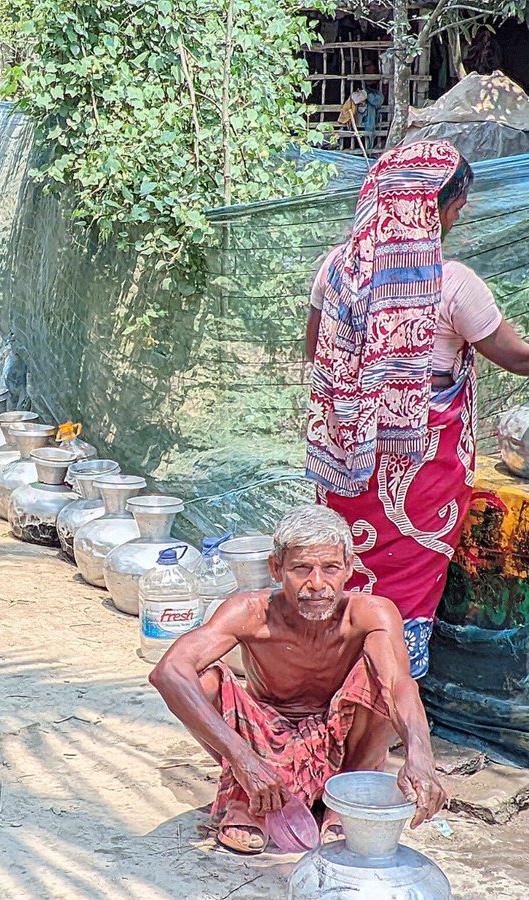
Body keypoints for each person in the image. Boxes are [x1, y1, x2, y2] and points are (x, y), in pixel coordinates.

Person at [305, 140, 529, 678]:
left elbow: (317, 353)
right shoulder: (452, 284)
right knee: (405, 583)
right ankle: (387, 705)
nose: (462, 209)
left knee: (347, 571)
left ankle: (333, 685)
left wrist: (369, 387)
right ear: (428, 204)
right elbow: (518, 358)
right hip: (420, 470)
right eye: (456, 198)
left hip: (347, 457)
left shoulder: (336, 269)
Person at [150, 505, 446, 855]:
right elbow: (167, 671)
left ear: (349, 569)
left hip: (342, 743)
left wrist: (421, 755)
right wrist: (244, 760)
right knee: (200, 682)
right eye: (301, 569)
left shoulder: (370, 614)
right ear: (276, 569)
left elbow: (399, 685)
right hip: (264, 742)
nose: (317, 584)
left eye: (331, 568)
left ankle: (343, 798)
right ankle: (248, 797)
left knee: (382, 678)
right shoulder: (251, 612)